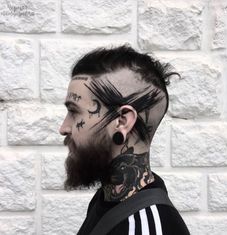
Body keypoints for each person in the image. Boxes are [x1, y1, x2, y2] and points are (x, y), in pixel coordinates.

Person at [59, 45, 190, 235]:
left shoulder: (145, 228)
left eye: (73, 111)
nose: (63, 128)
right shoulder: (108, 199)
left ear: (122, 121)